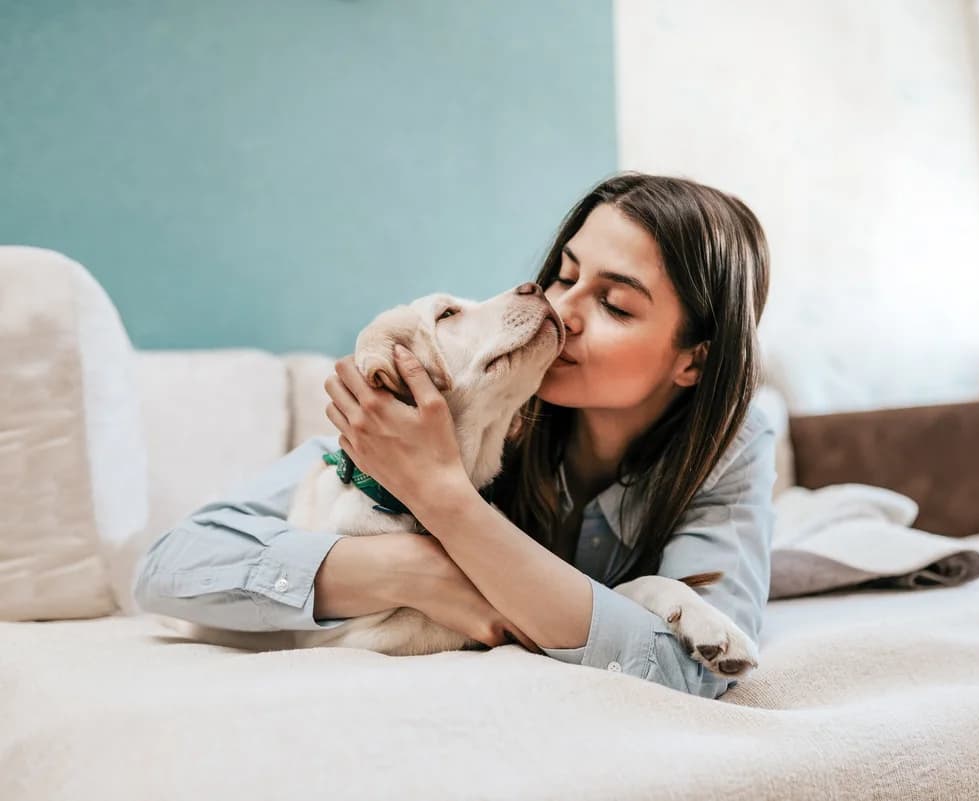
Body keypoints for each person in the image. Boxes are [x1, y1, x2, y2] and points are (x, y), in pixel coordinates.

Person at [133, 172, 776, 699]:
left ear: (694, 358)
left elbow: (693, 671)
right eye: (565, 274)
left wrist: (447, 500)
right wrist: (413, 570)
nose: (564, 308)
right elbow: (170, 567)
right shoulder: (471, 402)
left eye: (615, 304)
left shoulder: (732, 443)